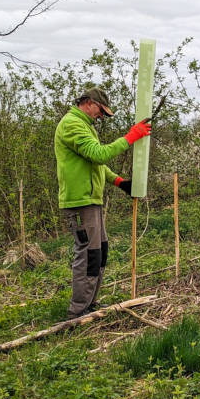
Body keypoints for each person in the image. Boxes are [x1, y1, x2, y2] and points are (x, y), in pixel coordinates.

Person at [54, 86, 151, 317]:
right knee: (88, 255)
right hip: (80, 202)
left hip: (91, 201)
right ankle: (78, 311)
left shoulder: (85, 125)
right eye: (100, 111)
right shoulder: (72, 124)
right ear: (88, 102)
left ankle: (89, 304)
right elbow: (99, 154)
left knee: (100, 252)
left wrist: (119, 182)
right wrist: (130, 137)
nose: (101, 116)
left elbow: (95, 164)